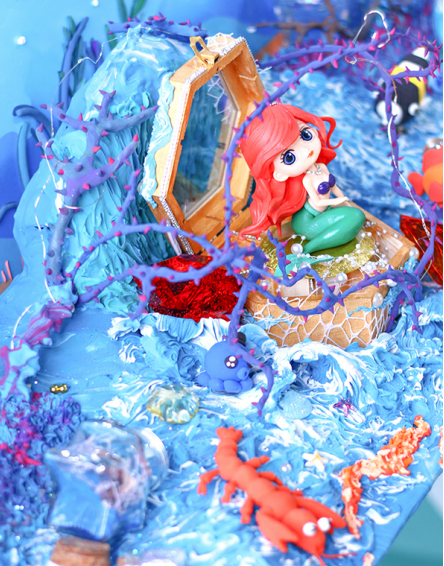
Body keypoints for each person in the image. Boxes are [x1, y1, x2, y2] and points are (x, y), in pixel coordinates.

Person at [239, 104, 365, 254]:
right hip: (306, 222)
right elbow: (317, 201)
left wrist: (344, 201)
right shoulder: (307, 180)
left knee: (353, 214)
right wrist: (336, 202)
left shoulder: (321, 167)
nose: (305, 150)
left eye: (305, 135)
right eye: (289, 157)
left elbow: (335, 189)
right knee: (357, 216)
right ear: (279, 174)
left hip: (321, 212)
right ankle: (308, 250)